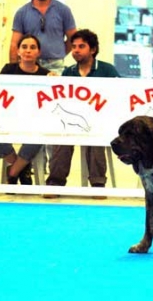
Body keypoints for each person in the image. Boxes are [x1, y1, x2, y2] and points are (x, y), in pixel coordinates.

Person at [44, 29, 120, 198]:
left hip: (99, 121)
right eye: (74, 46)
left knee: (96, 138)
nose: (76, 50)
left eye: (81, 46)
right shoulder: (68, 72)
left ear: (92, 50)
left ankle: (98, 184)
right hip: (73, 120)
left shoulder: (107, 70)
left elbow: (119, 96)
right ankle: (55, 184)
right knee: (61, 138)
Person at [0, 35, 54, 184]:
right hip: (7, 118)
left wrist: (55, 82)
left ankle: (12, 172)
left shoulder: (46, 74)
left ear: (39, 52)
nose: (28, 51)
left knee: (39, 135)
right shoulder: (8, 69)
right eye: (24, 47)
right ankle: (21, 167)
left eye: (32, 47)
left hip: (34, 121)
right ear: (18, 51)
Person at [10, 0, 77, 73]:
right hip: (29, 64)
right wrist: (14, 69)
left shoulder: (63, 10)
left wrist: (60, 52)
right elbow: (14, 44)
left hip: (56, 66)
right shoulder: (22, 12)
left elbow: (73, 39)